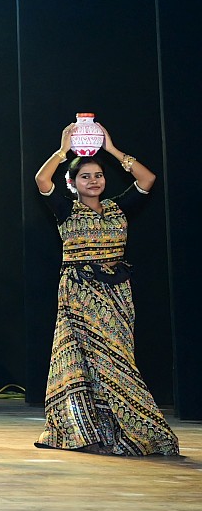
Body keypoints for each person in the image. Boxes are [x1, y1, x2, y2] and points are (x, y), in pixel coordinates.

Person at [32, 122, 177, 455]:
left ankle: (127, 431)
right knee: (78, 360)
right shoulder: (66, 209)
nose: (94, 181)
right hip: (79, 294)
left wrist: (111, 150)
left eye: (98, 175)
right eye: (85, 176)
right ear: (72, 183)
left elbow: (148, 179)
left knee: (116, 360)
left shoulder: (118, 207)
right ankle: (81, 432)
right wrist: (63, 151)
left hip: (117, 294)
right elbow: (42, 180)